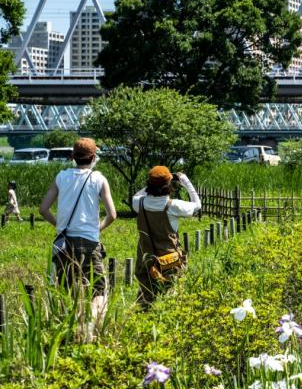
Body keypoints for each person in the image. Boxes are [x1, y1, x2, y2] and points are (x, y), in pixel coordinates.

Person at [38, 138, 117, 339]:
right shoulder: (99, 179)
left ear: (72, 157)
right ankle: (88, 326)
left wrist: (61, 226)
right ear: (94, 157)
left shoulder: (61, 176)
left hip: (64, 243)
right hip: (89, 243)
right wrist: (96, 229)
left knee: (67, 289)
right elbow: (112, 215)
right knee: (98, 289)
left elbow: (43, 209)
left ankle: (69, 331)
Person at [133, 166, 201, 306]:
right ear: (169, 185)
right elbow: (197, 205)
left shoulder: (138, 203)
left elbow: (137, 195)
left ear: (149, 185)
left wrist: (152, 182)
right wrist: (185, 181)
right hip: (169, 260)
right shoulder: (173, 206)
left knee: (145, 299)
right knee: (172, 300)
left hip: (145, 258)